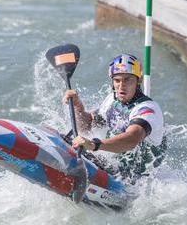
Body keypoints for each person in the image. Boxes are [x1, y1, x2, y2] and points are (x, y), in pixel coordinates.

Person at [63, 53, 167, 183]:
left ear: (138, 80)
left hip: (140, 181)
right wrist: (78, 107)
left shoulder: (148, 109)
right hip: (117, 169)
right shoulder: (112, 100)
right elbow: (88, 126)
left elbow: (132, 138)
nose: (121, 85)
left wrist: (94, 145)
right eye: (117, 80)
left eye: (128, 79)